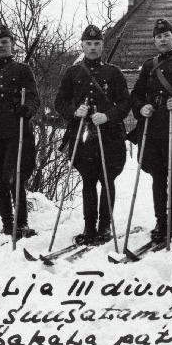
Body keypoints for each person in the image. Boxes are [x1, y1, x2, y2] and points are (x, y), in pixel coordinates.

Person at [54, 24, 130, 245]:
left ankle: (104, 227)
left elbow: (125, 103)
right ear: (83, 46)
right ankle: (89, 227)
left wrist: (108, 116)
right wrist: (74, 112)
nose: (93, 47)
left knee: (107, 181)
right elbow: (60, 102)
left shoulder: (113, 73)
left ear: (102, 46)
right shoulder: (73, 72)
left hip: (110, 136)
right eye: (89, 44)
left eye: (97, 43)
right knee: (88, 181)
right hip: (83, 136)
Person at [130, 18, 172, 244]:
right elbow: (137, 95)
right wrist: (142, 107)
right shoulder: (149, 66)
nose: (162, 39)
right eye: (158, 37)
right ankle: (161, 220)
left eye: (166, 36)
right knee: (158, 177)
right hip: (154, 129)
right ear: (154, 40)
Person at [0, 24, 41, 238]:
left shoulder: (23, 70)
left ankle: (21, 223)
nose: (1, 46)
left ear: (12, 44)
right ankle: (7, 222)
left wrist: (27, 109)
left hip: (16, 131)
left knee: (14, 177)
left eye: (5, 42)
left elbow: (33, 97)